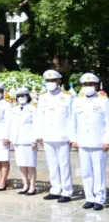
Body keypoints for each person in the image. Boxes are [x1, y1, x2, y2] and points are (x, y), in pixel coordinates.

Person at [71, 73, 108, 211]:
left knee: (99, 172)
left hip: (99, 142)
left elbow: (108, 121)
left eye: (91, 84)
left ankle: (99, 198)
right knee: (86, 172)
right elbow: (72, 122)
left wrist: (107, 140)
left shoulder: (103, 101)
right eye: (85, 85)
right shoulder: (76, 101)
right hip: (83, 142)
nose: (88, 87)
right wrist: (73, 138)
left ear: (96, 86)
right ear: (82, 86)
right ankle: (89, 198)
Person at [37, 69, 74, 203]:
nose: (50, 83)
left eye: (53, 81)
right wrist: (39, 134)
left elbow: (71, 118)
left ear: (58, 82)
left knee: (64, 164)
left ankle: (67, 191)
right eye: (48, 81)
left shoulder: (67, 97)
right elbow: (39, 117)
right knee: (52, 164)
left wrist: (72, 136)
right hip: (47, 135)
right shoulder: (42, 97)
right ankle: (55, 189)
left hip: (63, 135)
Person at [10, 87, 38, 196]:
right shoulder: (14, 109)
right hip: (18, 141)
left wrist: (34, 140)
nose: (21, 98)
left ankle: (32, 186)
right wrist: (12, 140)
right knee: (21, 164)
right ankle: (25, 185)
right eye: (19, 96)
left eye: (23, 96)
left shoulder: (32, 108)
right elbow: (13, 126)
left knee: (30, 164)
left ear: (28, 97)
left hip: (29, 140)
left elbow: (36, 125)